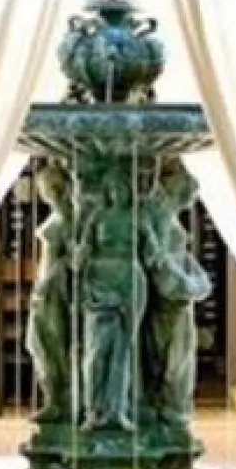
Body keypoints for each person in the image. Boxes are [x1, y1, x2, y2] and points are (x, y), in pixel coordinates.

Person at [75, 165, 147, 431]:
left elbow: (154, 251)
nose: (117, 193)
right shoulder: (97, 216)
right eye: (113, 188)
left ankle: (119, 410)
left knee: (123, 350)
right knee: (95, 352)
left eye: (122, 188)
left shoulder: (136, 218)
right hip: (100, 278)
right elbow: (84, 249)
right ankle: (92, 410)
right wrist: (79, 258)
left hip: (130, 278)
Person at [141, 158, 211, 426]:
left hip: (175, 295)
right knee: (169, 359)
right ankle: (168, 408)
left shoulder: (162, 215)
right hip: (167, 298)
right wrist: (185, 281)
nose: (189, 201)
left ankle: (171, 408)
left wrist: (189, 280)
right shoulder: (156, 215)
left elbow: (171, 260)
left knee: (174, 359)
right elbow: (158, 261)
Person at [27, 161, 76, 421]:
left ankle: (60, 400)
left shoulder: (69, 219)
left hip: (56, 289)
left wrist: (46, 284)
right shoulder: (62, 216)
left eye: (47, 188)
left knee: (52, 343)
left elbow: (68, 259)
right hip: (47, 287)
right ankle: (54, 398)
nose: (45, 194)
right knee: (40, 342)